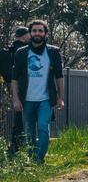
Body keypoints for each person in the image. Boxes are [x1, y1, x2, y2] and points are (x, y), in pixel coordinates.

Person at [10, 20, 65, 163]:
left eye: (40, 31)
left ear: (45, 34)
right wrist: (15, 99)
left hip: (45, 99)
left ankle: (39, 159)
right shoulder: (21, 53)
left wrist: (60, 97)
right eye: (34, 31)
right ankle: (32, 156)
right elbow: (14, 78)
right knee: (29, 133)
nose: (37, 33)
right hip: (26, 99)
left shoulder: (53, 52)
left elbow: (59, 76)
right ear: (30, 33)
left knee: (43, 128)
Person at [2, 26, 30, 152]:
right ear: (24, 36)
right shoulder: (24, 51)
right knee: (22, 116)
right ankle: (17, 145)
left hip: (8, 86)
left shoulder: (8, 51)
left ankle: (15, 145)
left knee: (18, 115)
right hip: (23, 86)